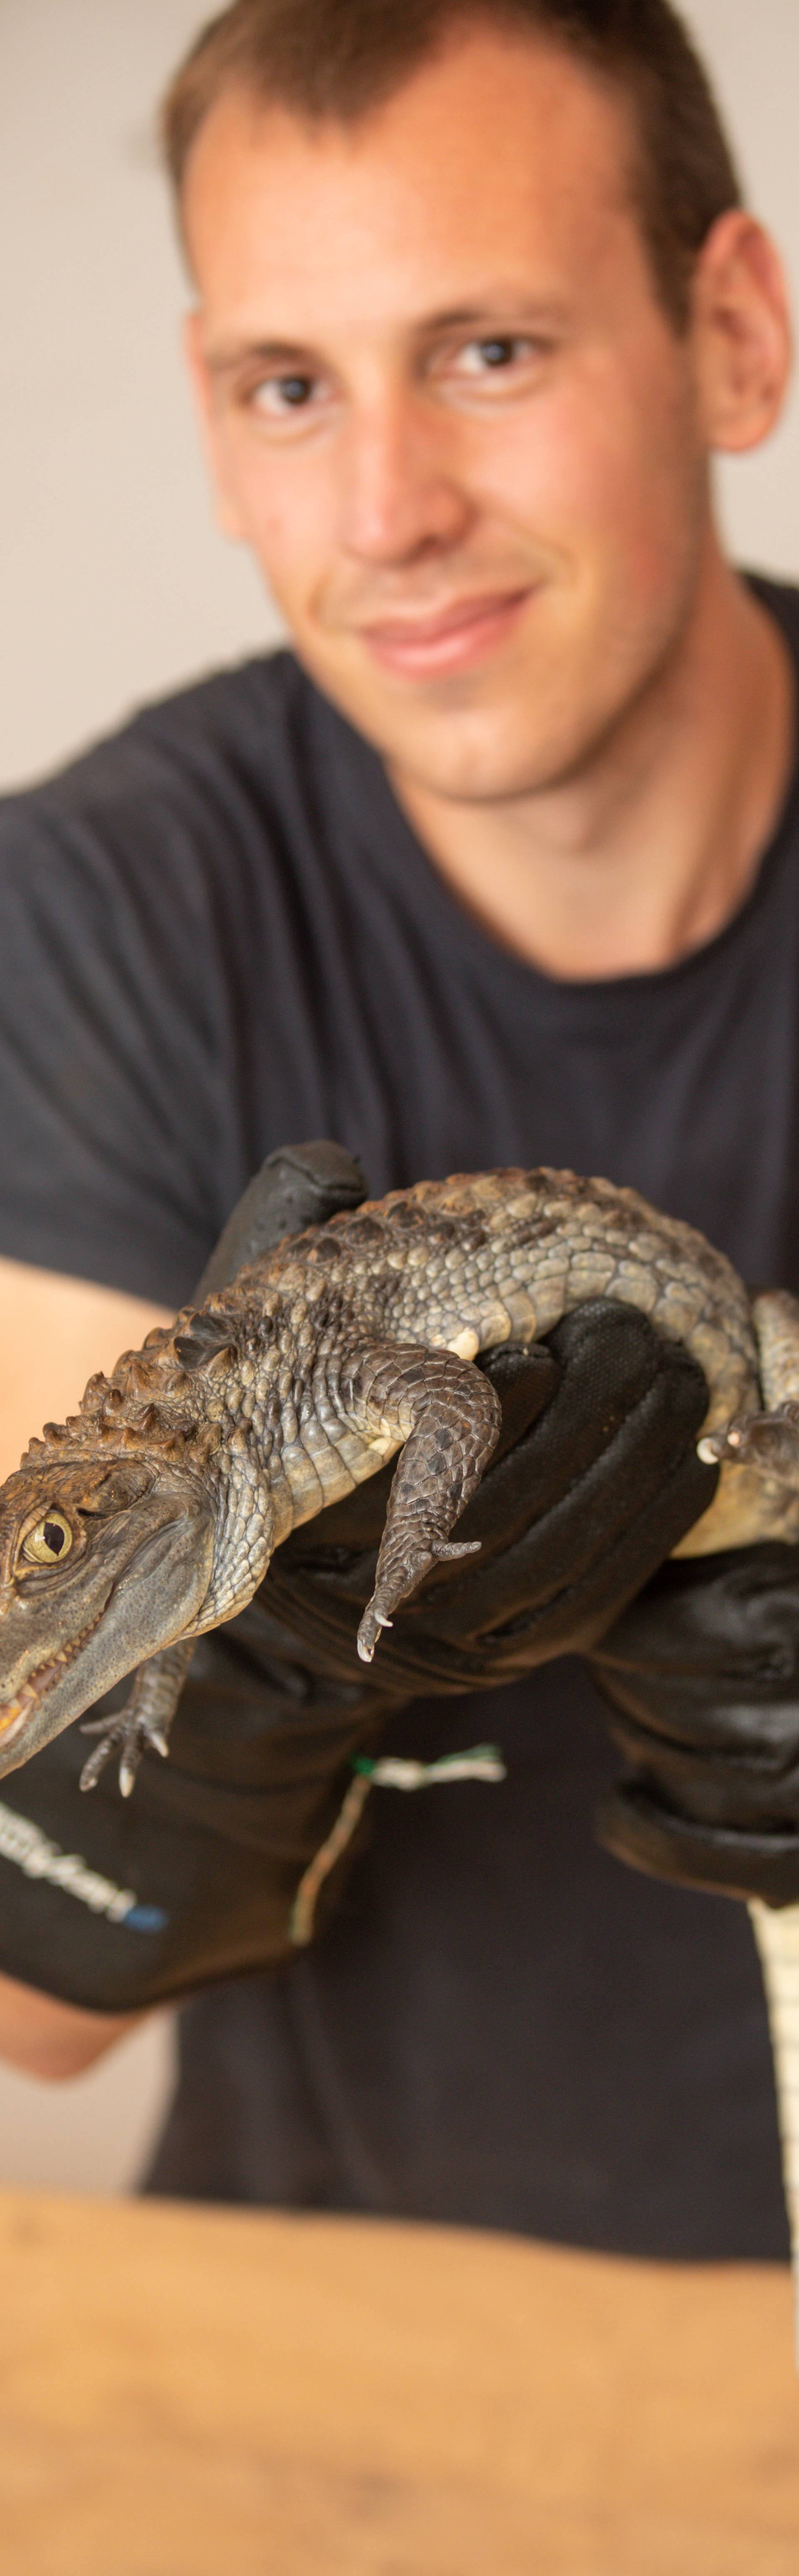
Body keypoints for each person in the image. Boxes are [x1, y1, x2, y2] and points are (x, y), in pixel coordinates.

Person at [0, 0, 797, 2253]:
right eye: (291, 387)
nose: (386, 516)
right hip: (367, 2350)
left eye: (490, 354)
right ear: (213, 422)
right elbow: (27, 1998)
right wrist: (275, 1651)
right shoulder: (91, 911)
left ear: (729, 336)